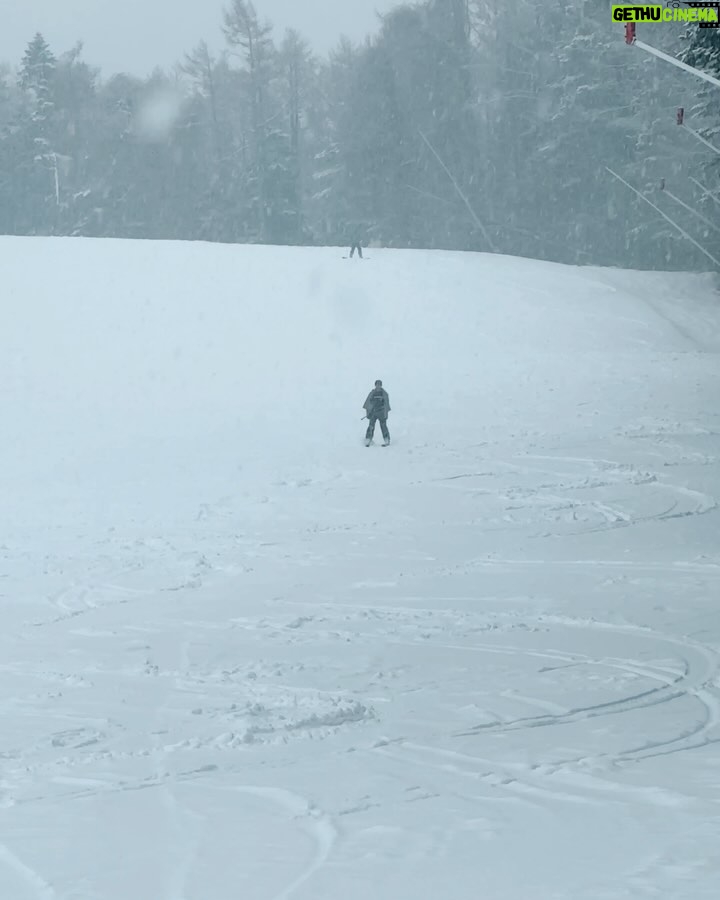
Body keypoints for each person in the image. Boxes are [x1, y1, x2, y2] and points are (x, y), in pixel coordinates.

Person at [363, 380, 390, 446]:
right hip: (373, 412)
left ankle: (387, 439)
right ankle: (368, 439)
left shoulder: (384, 394)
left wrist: (385, 414)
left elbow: (386, 404)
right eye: (377, 384)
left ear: (381, 385)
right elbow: (368, 403)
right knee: (371, 426)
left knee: (383, 426)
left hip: (381, 412)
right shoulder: (372, 393)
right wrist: (368, 412)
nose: (378, 386)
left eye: (379, 384)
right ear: (375, 385)